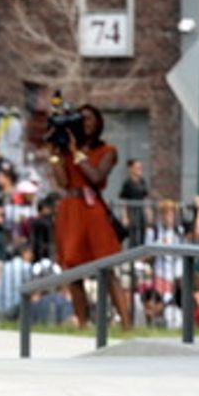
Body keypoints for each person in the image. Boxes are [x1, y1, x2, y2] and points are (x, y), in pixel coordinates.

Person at [49, 102, 130, 328]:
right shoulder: (67, 150)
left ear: (98, 123)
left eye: (89, 118)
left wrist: (76, 152)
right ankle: (83, 323)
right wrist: (55, 153)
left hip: (92, 210)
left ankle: (126, 323)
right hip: (70, 209)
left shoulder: (107, 151)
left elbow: (96, 177)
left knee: (107, 268)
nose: (84, 123)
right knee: (72, 269)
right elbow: (63, 182)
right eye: (80, 118)